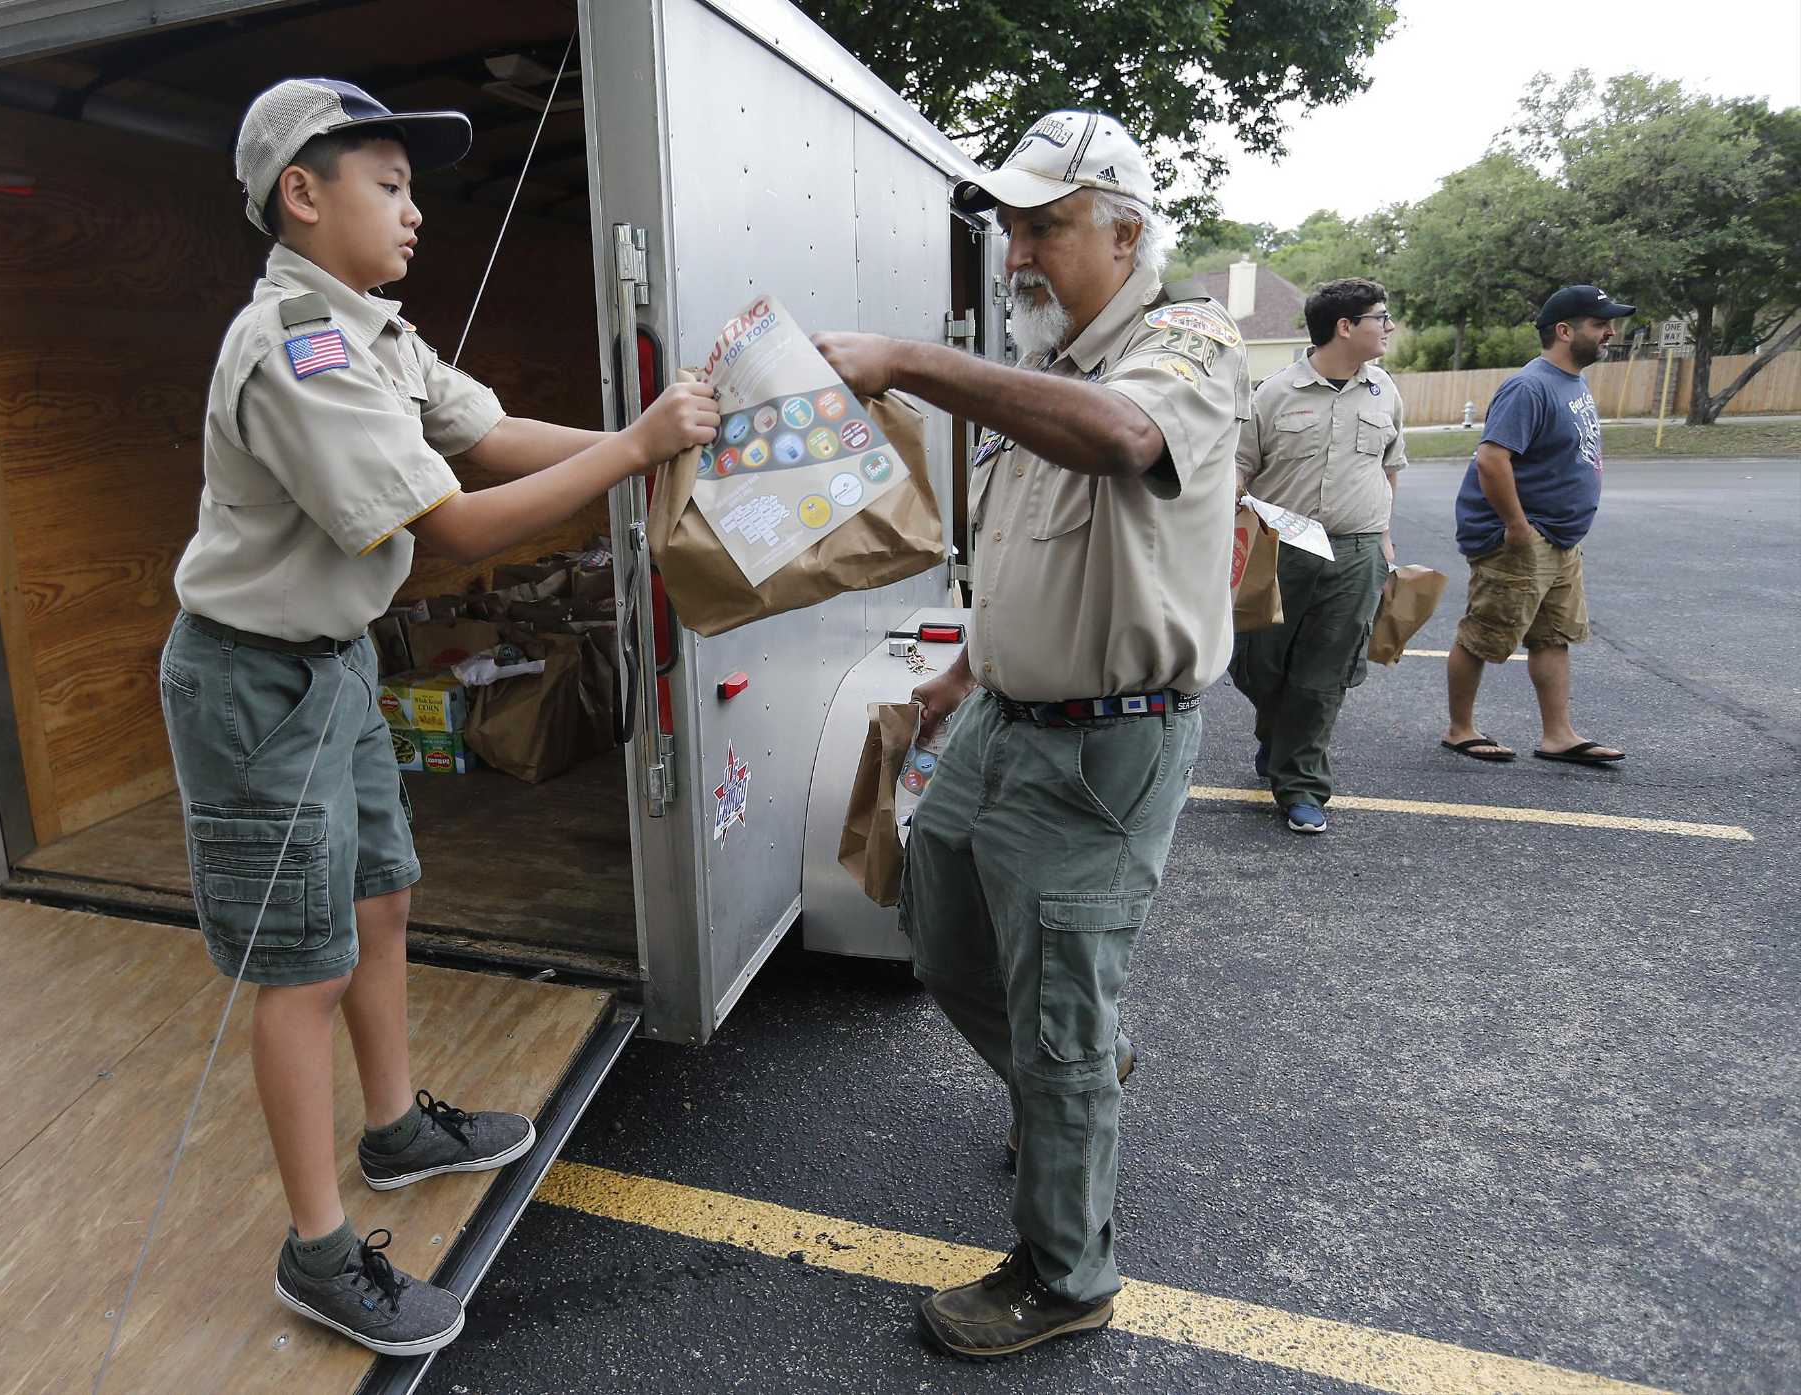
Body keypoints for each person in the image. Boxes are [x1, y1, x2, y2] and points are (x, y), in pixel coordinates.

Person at [160, 78, 716, 1356]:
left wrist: (667, 438)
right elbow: (453, 522)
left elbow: (500, 434)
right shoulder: (294, 349)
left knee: (382, 903)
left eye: (413, 187)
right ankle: (317, 1253)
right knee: (301, 970)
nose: (416, 211)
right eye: (389, 184)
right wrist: (637, 450)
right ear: (302, 195)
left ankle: (398, 1126)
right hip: (253, 682)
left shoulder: (374, 333)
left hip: (333, 658)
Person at [814, 109, 1244, 1360]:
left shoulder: (1186, 341)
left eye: (1043, 225)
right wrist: (957, 674)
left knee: (1055, 1010)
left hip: (1105, 747)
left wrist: (904, 358)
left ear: (1124, 228)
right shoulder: (1044, 366)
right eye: (1006, 226)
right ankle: (1082, 1074)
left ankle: (1066, 1275)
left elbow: (1120, 441)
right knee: (939, 936)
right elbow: (1016, 558)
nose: (1014, 252)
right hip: (1005, 717)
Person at [1231, 278, 1407, 833]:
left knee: (1324, 673)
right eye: (1381, 317)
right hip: (1279, 548)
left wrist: (1383, 543)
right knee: (1260, 665)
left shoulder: (1385, 392)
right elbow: (1240, 468)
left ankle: (1302, 784)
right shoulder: (1273, 393)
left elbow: (1389, 470)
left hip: (1354, 552)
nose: (1390, 326)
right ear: (1345, 326)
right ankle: (1277, 736)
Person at [1439, 284, 1632, 767]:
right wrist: (1517, 527)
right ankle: (1460, 729)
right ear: (1564, 331)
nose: (1610, 331)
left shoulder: (1572, 381)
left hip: (1561, 539)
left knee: (1553, 636)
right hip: (1524, 539)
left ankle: (1558, 736)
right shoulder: (1531, 386)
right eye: (1599, 324)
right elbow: (1492, 459)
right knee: (1483, 635)